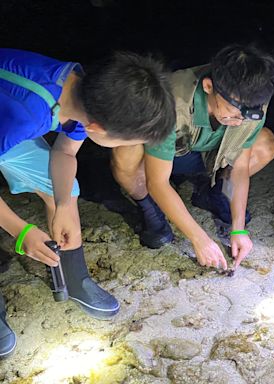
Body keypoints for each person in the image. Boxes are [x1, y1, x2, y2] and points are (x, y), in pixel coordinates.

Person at [0, 48, 175, 356]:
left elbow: (64, 152)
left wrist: (64, 204)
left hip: (11, 115)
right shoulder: (28, 114)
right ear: (98, 130)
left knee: (65, 188)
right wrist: (21, 231)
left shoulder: (86, 90)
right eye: (126, 141)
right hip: (13, 117)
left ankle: (76, 281)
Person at [111, 43, 274, 271]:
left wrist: (239, 230)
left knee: (265, 143)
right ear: (209, 86)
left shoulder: (253, 97)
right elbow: (157, 182)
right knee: (126, 150)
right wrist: (200, 239)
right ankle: (150, 210)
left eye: (246, 116)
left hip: (208, 151)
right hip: (167, 153)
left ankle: (212, 192)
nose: (240, 121)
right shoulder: (170, 101)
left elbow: (239, 168)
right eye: (233, 113)